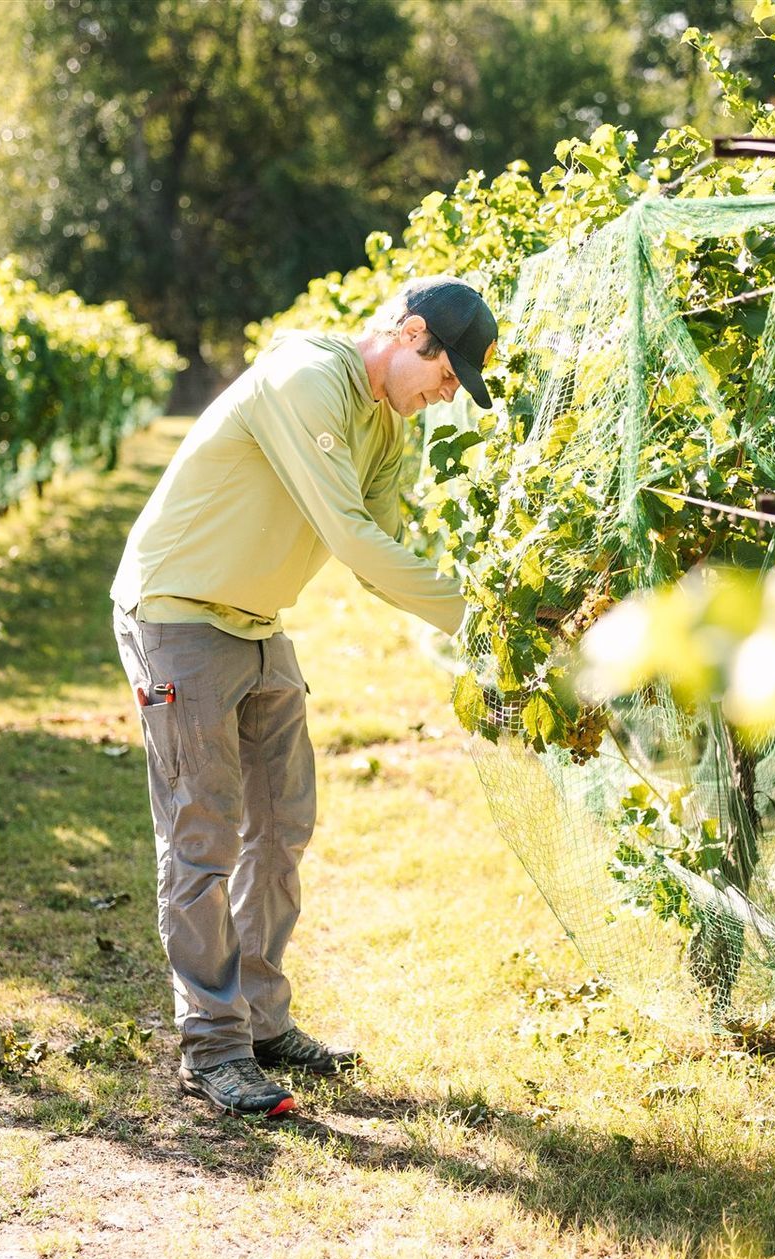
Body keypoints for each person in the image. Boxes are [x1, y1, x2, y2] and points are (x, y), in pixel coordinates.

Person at [109, 276, 498, 1118]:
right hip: (178, 613)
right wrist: (482, 619)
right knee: (203, 835)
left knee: (282, 825)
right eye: (445, 375)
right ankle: (212, 1049)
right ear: (412, 333)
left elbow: (393, 547)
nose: (445, 396)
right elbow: (354, 542)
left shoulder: (389, 428)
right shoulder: (307, 376)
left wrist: (494, 599)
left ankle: (261, 1021)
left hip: (253, 621)